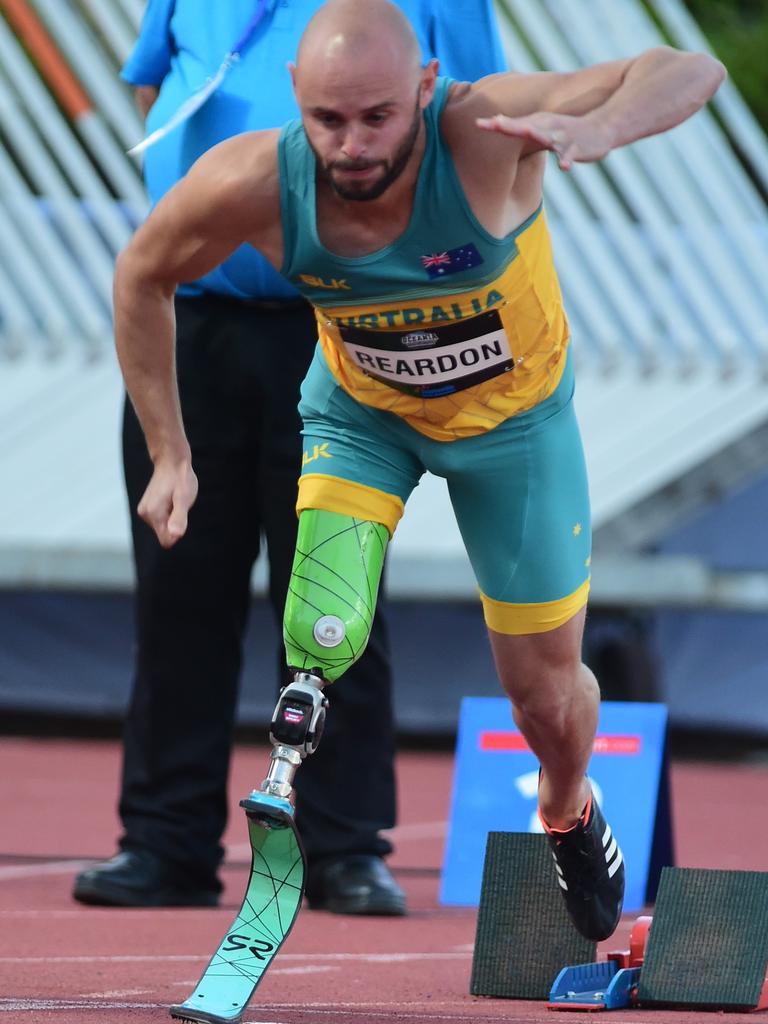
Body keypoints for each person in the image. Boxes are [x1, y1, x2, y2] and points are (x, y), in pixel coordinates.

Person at [106, 0, 724, 941]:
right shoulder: (255, 179)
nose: (351, 147)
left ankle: (567, 806)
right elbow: (141, 275)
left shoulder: (480, 130)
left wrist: (596, 127)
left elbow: (687, 67)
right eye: (327, 120)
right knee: (322, 625)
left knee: (545, 699)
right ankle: (284, 804)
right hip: (364, 420)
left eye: (377, 118)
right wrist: (170, 452)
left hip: (513, 431)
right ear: (294, 102)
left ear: (424, 87)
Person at [72, 0, 507, 915]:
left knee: (337, 595)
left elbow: (478, 119)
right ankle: (165, 840)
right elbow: (160, 90)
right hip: (194, 321)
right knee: (177, 579)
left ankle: (346, 846)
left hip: (348, 325)